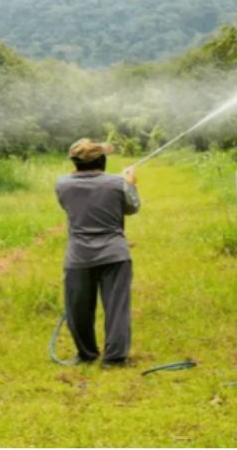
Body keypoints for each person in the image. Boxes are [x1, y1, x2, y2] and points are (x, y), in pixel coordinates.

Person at [55, 138, 140, 367]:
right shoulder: (116, 183)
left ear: (75, 163)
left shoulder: (62, 184)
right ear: (102, 160)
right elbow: (132, 208)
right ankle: (114, 359)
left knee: (78, 309)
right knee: (117, 309)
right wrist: (130, 184)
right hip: (115, 255)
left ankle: (86, 354)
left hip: (78, 257)